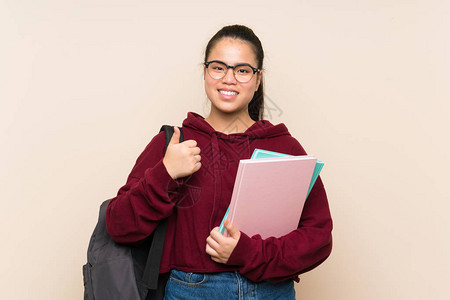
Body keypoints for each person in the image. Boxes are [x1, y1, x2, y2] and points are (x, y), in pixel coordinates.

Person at [106, 24, 332, 299]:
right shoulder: (174, 143)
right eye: (218, 67)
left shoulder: (285, 147)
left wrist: (248, 253)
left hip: (271, 292)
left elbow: (318, 238)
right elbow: (119, 226)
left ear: (258, 79)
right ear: (205, 72)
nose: (229, 79)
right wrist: (166, 173)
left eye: (242, 70)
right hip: (189, 291)